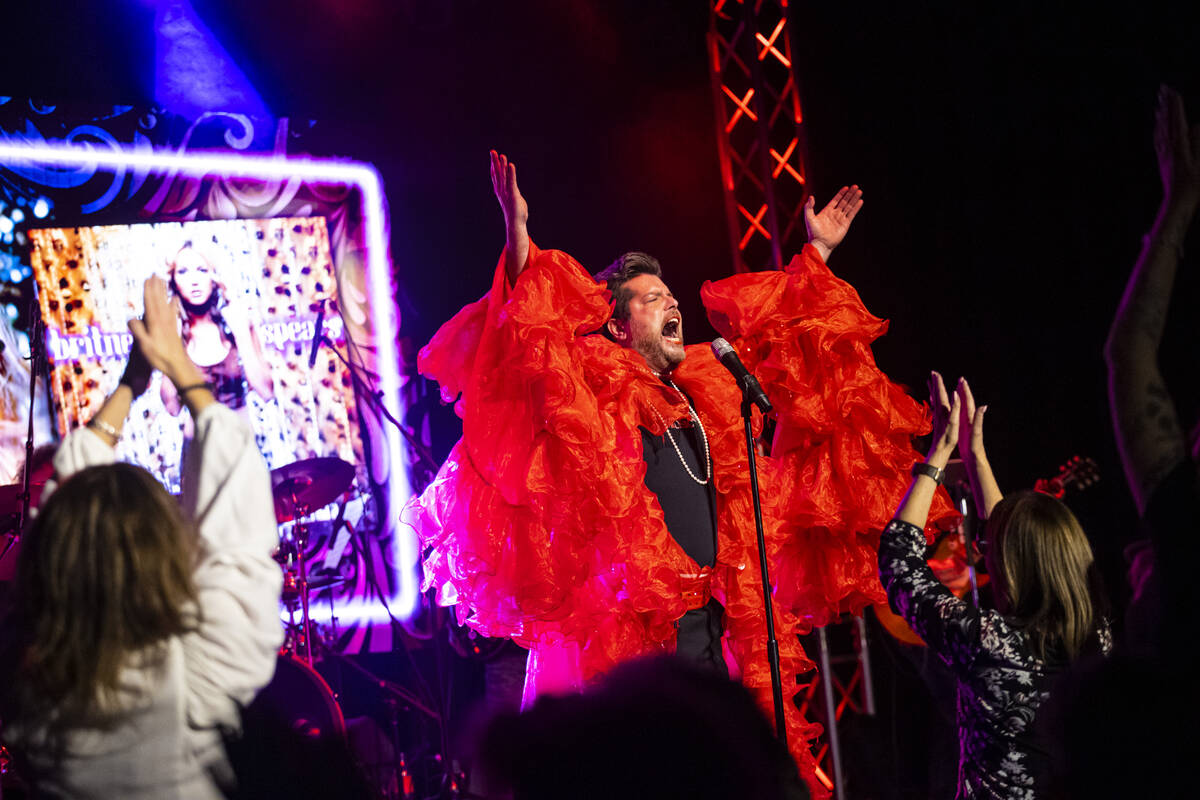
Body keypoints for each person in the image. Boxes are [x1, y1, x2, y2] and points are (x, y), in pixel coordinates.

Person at [405, 151, 956, 794]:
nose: (673, 304)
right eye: (652, 299)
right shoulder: (598, 386)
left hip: (714, 623)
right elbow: (535, 339)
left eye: (672, 296)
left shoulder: (707, 388)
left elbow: (785, 340)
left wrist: (817, 256)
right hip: (637, 640)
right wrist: (520, 236)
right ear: (617, 322)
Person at [0, 275, 283, 799]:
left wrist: (130, 381)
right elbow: (238, 503)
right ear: (164, 549)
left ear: (54, 556)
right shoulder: (199, 678)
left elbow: (61, 500)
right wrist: (178, 368)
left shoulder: (29, 687)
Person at [878, 373, 1111, 799]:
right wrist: (977, 459)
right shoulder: (1099, 636)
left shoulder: (988, 640)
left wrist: (937, 459)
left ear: (1008, 563)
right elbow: (1014, 541)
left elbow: (899, 560)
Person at [161, 241, 274, 417]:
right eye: (183, 272)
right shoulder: (175, 335)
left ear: (214, 278)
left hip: (239, 438)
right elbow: (172, 408)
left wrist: (242, 333)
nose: (194, 280)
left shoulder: (237, 322)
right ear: (174, 281)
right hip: (199, 440)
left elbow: (266, 391)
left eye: (202, 270)